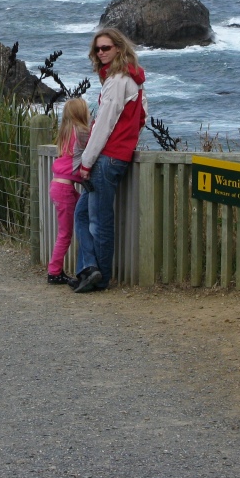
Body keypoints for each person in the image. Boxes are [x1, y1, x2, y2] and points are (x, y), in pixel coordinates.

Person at [73, 27, 147, 294]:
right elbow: (142, 116)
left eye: (106, 48)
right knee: (82, 214)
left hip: (106, 159)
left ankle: (100, 278)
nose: (101, 53)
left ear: (119, 47)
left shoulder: (117, 81)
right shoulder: (134, 79)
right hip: (116, 156)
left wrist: (86, 162)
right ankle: (89, 268)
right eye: (97, 49)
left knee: (98, 220)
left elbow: (103, 125)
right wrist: (130, 141)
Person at [48, 97, 90, 285]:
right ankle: (54, 272)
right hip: (65, 188)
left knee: (84, 208)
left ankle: (57, 269)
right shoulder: (81, 131)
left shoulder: (65, 132)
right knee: (65, 233)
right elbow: (95, 141)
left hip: (59, 185)